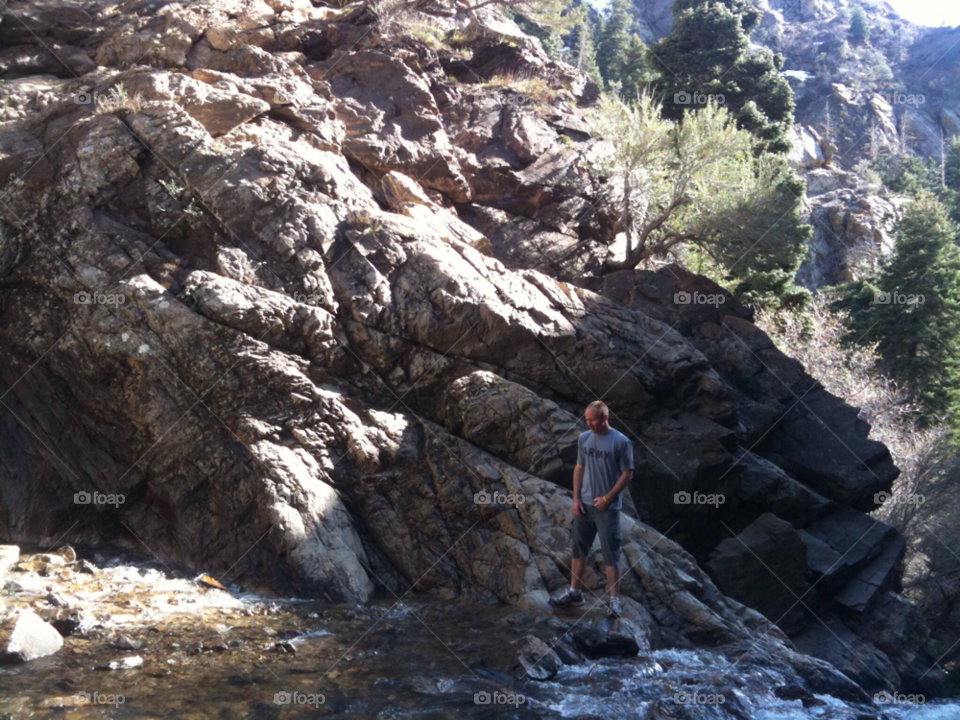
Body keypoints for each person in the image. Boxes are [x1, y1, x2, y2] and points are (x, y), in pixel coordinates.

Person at [549, 400, 634, 617]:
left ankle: (614, 600)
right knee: (579, 549)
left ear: (604, 418)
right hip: (584, 504)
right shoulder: (584, 438)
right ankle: (574, 592)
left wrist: (607, 498)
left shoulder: (621, 441)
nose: (589, 424)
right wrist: (575, 499)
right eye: (586, 420)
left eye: (592, 420)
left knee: (610, 552)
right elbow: (580, 467)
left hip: (608, 507)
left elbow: (627, 474)